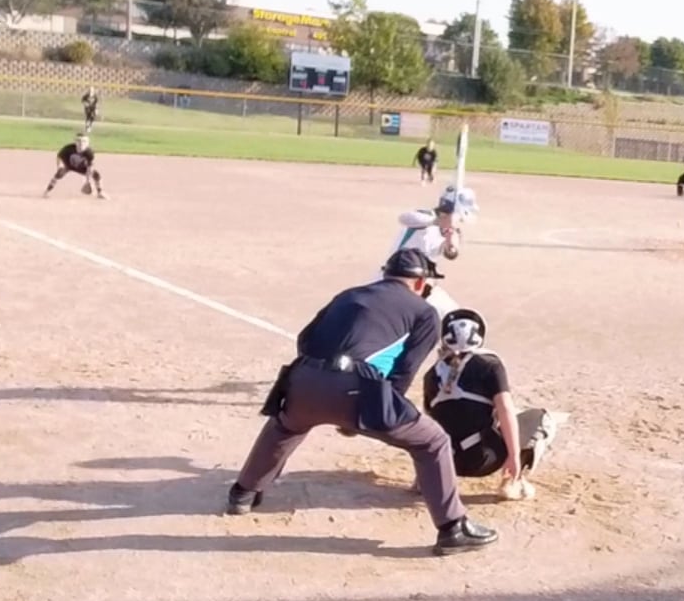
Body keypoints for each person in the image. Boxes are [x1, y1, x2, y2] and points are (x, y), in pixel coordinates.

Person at [225, 248, 497, 556]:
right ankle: (452, 528)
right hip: (357, 388)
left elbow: (305, 339)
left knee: (285, 427)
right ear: (421, 283)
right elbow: (403, 373)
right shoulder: (424, 313)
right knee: (432, 441)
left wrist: (316, 385)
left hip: (302, 379)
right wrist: (368, 414)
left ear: (386, 274)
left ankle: (243, 493)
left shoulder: (348, 295)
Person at [423, 308, 563, 499]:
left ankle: (429, 478)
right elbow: (505, 409)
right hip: (484, 459)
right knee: (540, 419)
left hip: (445, 463)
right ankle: (514, 480)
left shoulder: (431, 375)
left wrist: (424, 471)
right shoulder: (489, 365)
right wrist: (513, 456)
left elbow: (429, 424)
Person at [387, 188, 475, 317]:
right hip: (393, 279)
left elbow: (451, 254)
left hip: (421, 286)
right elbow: (404, 218)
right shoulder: (426, 216)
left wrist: (450, 242)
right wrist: (437, 222)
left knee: (453, 315)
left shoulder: (452, 230)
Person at [43, 133, 107, 200]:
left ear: (88, 143)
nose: (81, 143)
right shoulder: (68, 148)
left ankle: (100, 193)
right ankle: (46, 192)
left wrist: (88, 181)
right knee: (59, 174)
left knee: (96, 175)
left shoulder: (89, 152)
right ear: (75, 141)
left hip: (81, 167)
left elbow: (90, 167)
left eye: (84, 141)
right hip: (68, 165)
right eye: (78, 140)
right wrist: (59, 166)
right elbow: (59, 156)